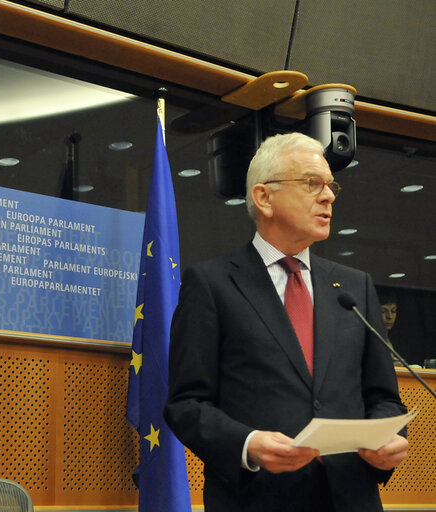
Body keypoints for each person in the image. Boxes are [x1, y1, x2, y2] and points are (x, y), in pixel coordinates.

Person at [164, 132, 408, 512]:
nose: (328, 196)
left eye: (330, 186)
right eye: (312, 183)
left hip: (351, 497)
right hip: (258, 498)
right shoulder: (212, 285)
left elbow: (383, 397)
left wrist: (390, 437)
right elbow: (186, 403)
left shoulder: (354, 286)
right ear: (264, 198)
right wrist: (247, 444)